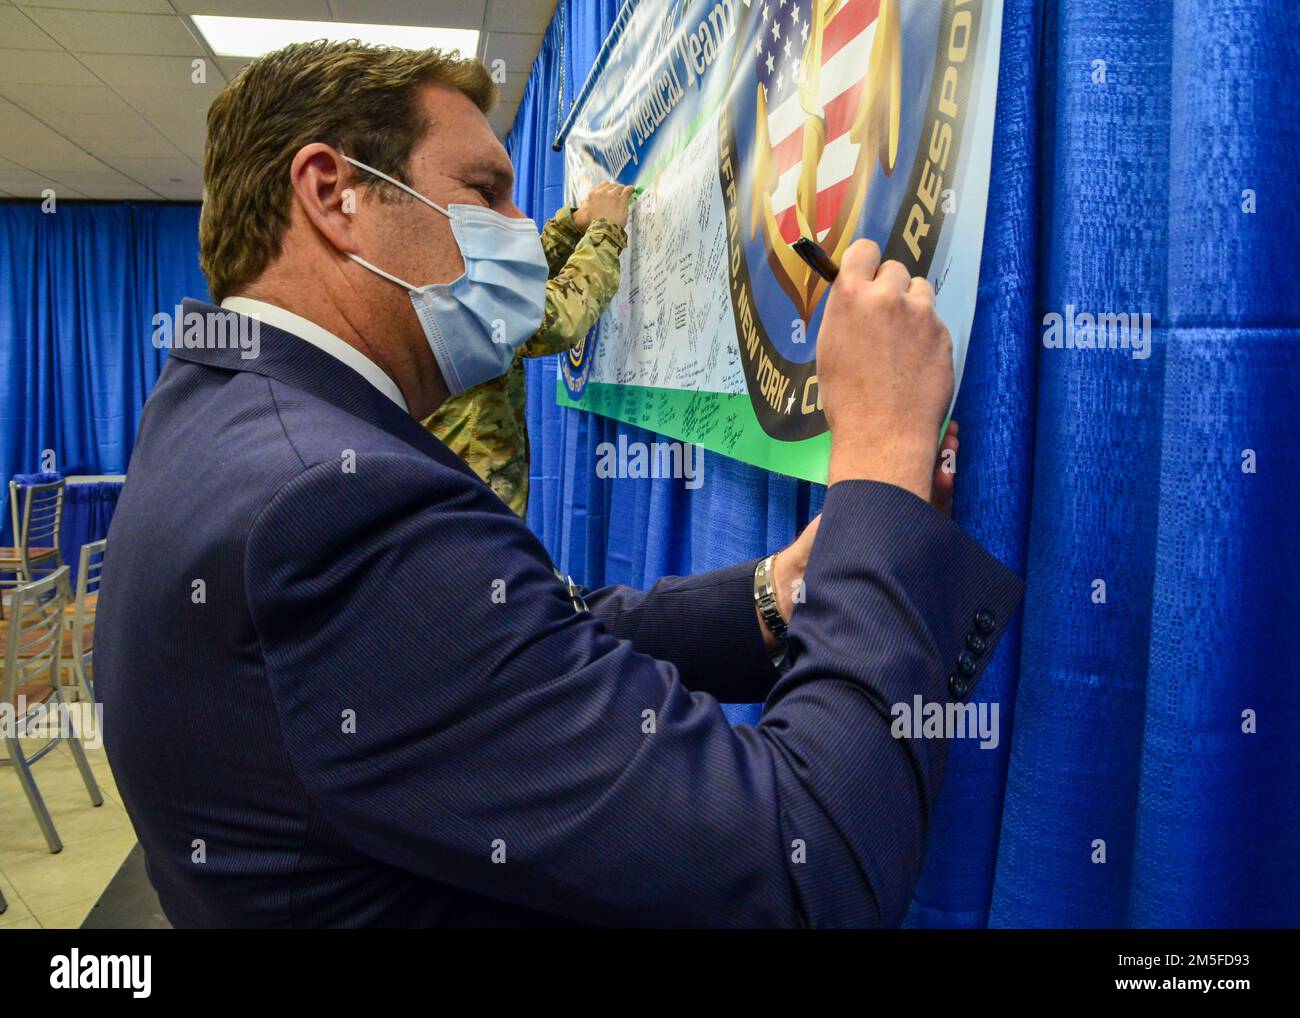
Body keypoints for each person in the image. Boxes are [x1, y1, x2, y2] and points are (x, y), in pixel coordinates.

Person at [95, 41, 1023, 928]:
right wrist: (884, 464)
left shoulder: (226, 413)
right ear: (334, 194)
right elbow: (804, 865)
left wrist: (781, 593)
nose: (520, 237)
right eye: (486, 194)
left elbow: (511, 650)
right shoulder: (329, 503)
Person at [421, 183, 631, 516]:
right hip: (471, 519)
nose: (514, 215)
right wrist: (606, 229)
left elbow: (515, 284)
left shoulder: (427, 277)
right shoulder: (447, 297)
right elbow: (562, 316)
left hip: (458, 506)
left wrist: (572, 227)